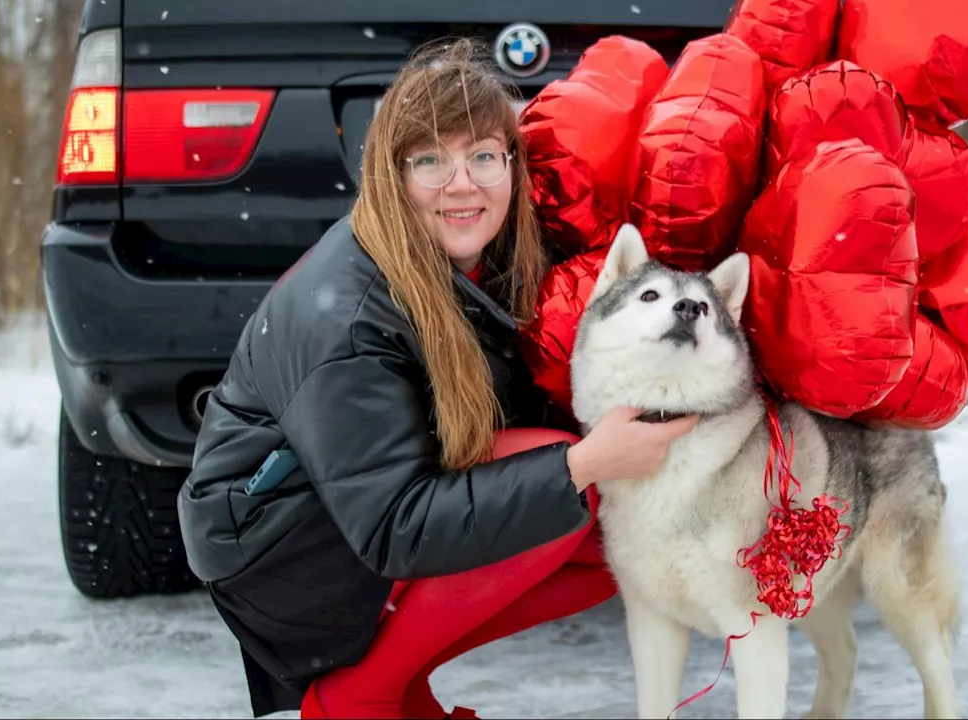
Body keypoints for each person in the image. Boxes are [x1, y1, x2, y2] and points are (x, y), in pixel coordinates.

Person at [176, 38, 699, 719]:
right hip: (273, 553)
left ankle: (403, 680)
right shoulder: (346, 318)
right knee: (569, 485)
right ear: (393, 176)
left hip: (341, 522)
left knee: (621, 542)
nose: (463, 184)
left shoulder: (483, 258)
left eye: (483, 156)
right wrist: (583, 462)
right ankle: (355, 696)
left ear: (513, 165)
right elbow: (396, 526)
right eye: (431, 161)